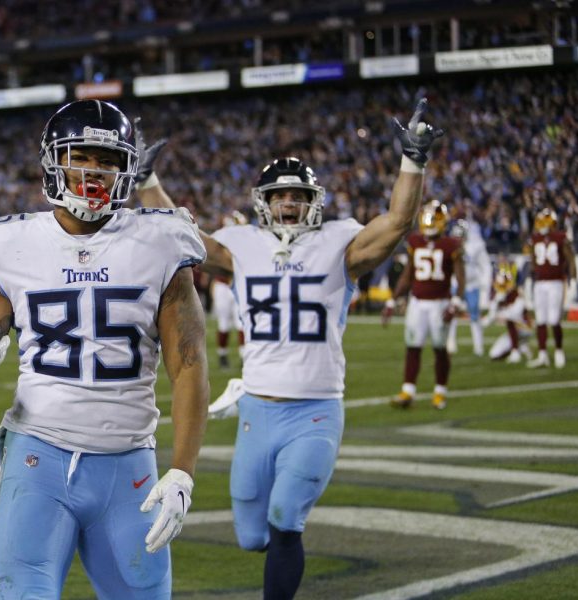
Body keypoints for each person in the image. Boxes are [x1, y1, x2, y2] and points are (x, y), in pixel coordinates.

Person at [138, 99, 442, 599]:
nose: (287, 204)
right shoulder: (242, 246)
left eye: (297, 196)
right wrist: (148, 180)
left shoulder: (337, 242)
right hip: (258, 408)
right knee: (252, 534)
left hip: (316, 411)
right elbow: (177, 233)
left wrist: (413, 161)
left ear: (312, 200)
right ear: (264, 201)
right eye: (279, 196)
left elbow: (396, 224)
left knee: (285, 518)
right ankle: (278, 550)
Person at [0, 100, 209, 599]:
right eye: (82, 156)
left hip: (129, 464)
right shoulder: (6, 243)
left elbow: (189, 366)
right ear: (53, 161)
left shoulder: (162, 239)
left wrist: (182, 473)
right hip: (37, 458)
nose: (95, 171)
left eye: (109, 161)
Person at [383, 199, 465, 410]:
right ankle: (408, 391)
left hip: (440, 303)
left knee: (440, 349)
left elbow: (460, 278)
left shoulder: (450, 245)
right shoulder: (416, 241)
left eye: (432, 219)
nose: (428, 223)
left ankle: (440, 392)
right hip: (417, 303)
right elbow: (407, 276)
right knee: (413, 347)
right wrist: (392, 300)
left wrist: (455, 303)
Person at [524, 208, 577, 368]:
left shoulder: (561, 238)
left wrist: (572, 281)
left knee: (554, 319)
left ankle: (559, 351)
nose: (541, 224)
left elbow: (571, 259)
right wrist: (529, 279)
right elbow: (533, 261)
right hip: (540, 283)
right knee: (540, 319)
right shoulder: (536, 238)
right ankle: (542, 354)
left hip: (556, 282)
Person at [446, 218, 491, 356]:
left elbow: (485, 265)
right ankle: (450, 343)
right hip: (456, 284)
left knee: (474, 316)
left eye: (460, 237)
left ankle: (478, 346)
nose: (458, 240)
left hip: (472, 285)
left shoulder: (475, 245)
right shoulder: (450, 246)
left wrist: (485, 286)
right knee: (452, 313)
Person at [211, 210, 247, 369]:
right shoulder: (219, 243)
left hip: (237, 285)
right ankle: (223, 355)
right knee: (224, 323)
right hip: (223, 286)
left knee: (241, 323)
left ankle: (243, 356)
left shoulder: (243, 243)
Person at [481, 260, 533, 362]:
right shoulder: (498, 297)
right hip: (514, 330)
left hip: (524, 328)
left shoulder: (518, 296)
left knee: (510, 320)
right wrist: (481, 322)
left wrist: (499, 314)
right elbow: (489, 319)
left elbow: (513, 316)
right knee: (494, 354)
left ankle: (515, 352)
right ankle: (522, 348)